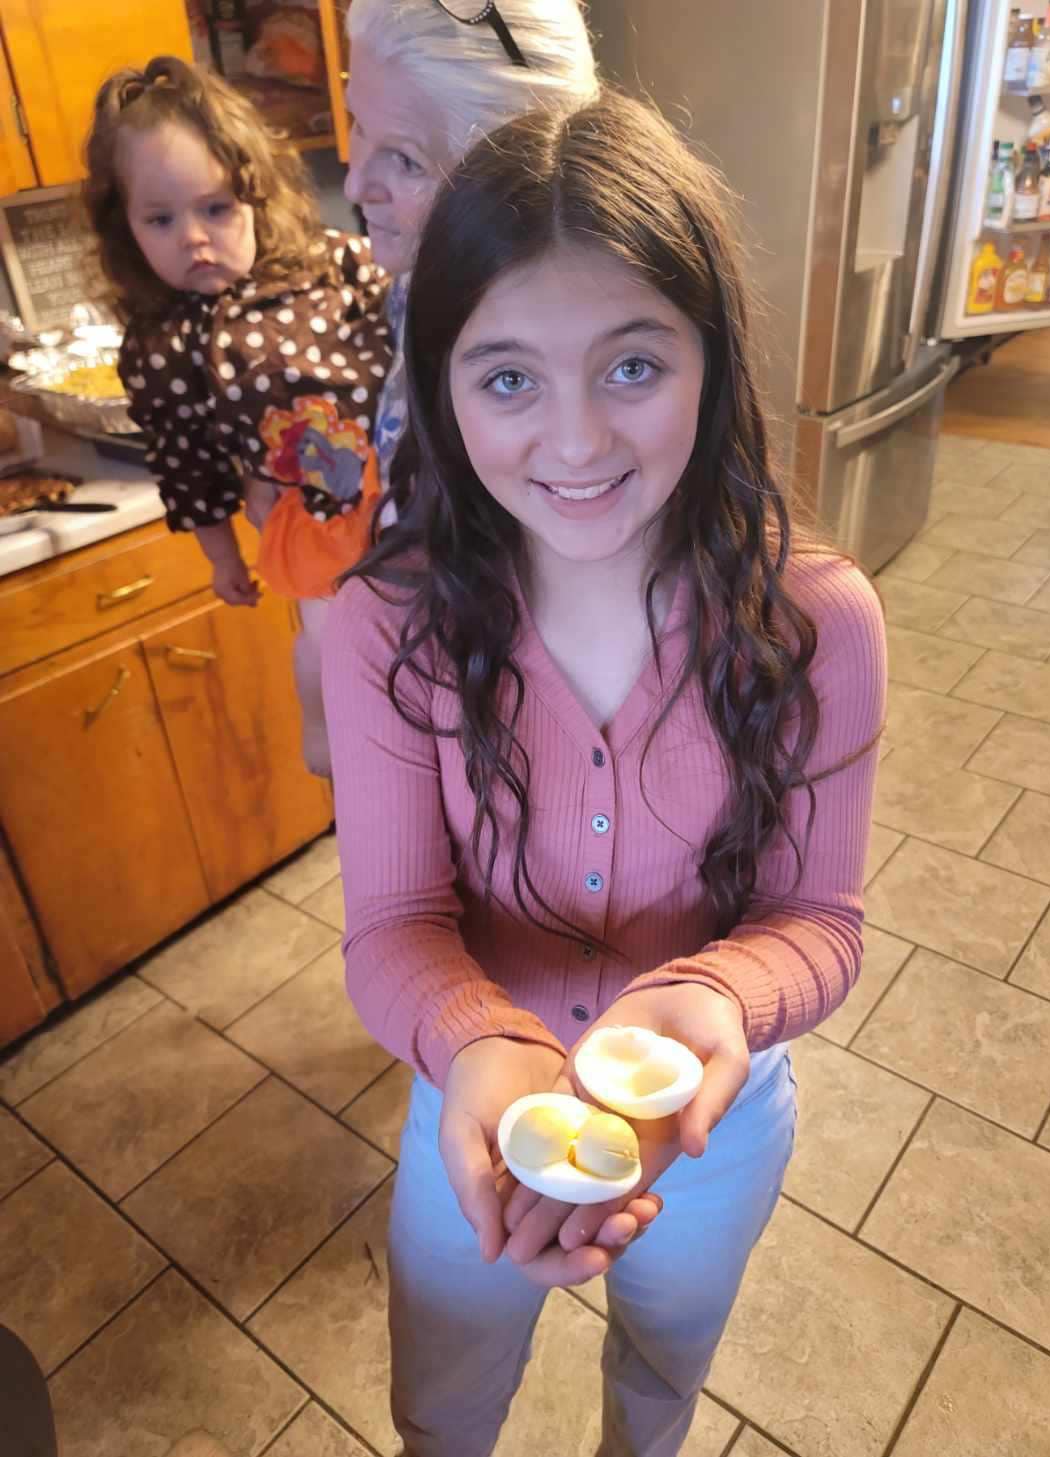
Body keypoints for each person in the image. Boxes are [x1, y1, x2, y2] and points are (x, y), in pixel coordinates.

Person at [322, 90, 886, 1457]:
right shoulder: (385, 621)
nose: (574, 442)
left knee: (660, 1375)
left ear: (712, 359)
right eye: (508, 378)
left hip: (711, 1122)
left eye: (632, 365)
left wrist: (723, 993)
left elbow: (819, 919)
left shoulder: (817, 624)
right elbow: (392, 924)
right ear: (442, 390)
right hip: (474, 1097)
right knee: (442, 1395)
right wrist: (481, 1043)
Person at [84, 56, 391, 776]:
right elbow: (186, 465)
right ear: (126, 229)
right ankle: (328, 737)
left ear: (256, 195)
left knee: (427, 641)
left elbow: (410, 327)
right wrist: (221, 556)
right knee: (332, 639)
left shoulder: (331, 263)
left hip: (408, 491)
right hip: (311, 515)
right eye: (161, 219)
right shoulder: (164, 342)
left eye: (216, 209)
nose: (193, 237)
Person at [341, 0, 599, 486]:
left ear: (524, 182)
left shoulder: (547, 372)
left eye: (406, 161)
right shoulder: (417, 281)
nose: (355, 186)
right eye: (357, 122)